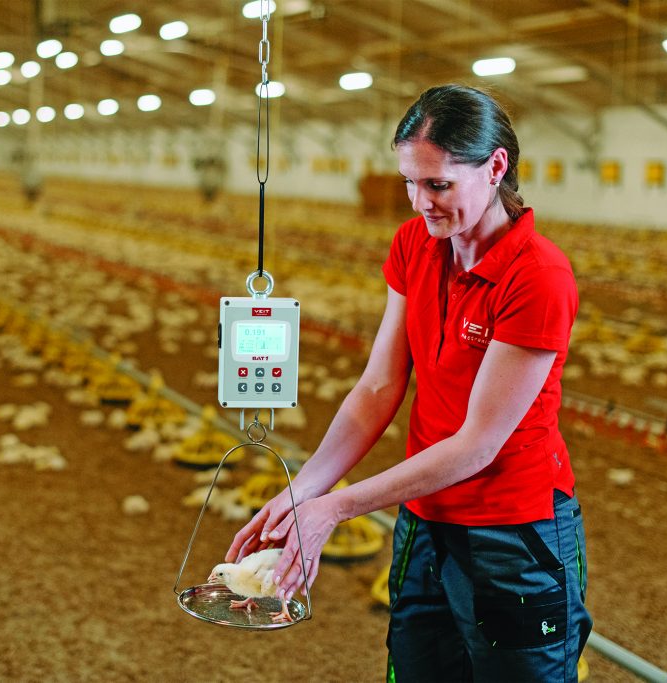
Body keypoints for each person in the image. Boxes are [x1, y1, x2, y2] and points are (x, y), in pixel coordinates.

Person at [225, 84, 592, 682]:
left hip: (514, 531)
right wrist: (303, 491)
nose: (420, 203)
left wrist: (337, 507)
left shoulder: (539, 276)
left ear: (496, 167)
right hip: (423, 518)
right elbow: (377, 388)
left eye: (438, 185)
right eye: (409, 183)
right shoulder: (415, 246)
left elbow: (478, 444)